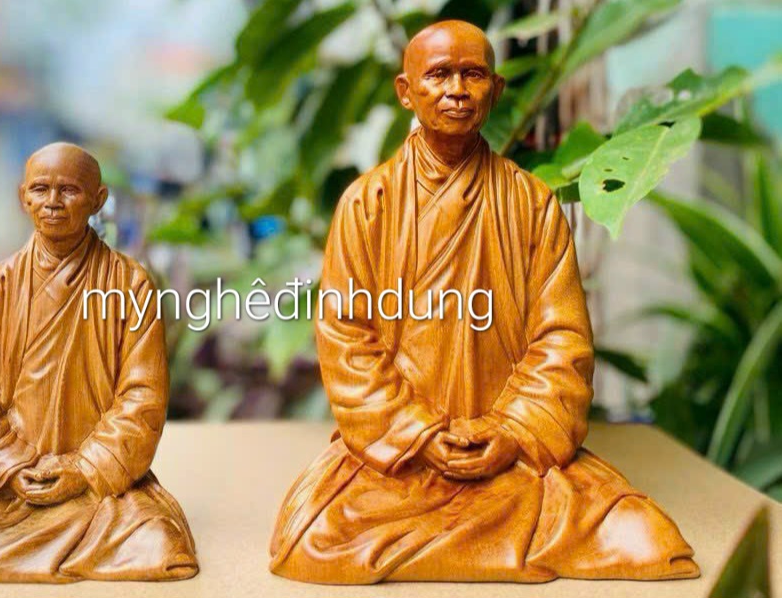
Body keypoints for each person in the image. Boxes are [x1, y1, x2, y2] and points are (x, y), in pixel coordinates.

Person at [269, 21, 699, 584]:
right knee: (316, 540)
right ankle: (468, 530)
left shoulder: (531, 203)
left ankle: (477, 525)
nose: (457, 90)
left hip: (511, 458)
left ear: (495, 91)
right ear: (406, 91)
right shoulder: (367, 205)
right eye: (439, 75)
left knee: (645, 539)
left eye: (472, 75)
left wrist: (512, 431)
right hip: (400, 460)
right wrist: (420, 433)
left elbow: (562, 339)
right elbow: (346, 338)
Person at [0, 143, 198, 584]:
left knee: (159, 545)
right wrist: (11, 467)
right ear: (22, 197)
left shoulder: (130, 284)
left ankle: (60, 530)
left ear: (98, 200)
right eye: (41, 189)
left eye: (69, 190)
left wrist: (83, 469)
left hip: (97, 490)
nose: (53, 202)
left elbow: (143, 396)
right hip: (12, 485)